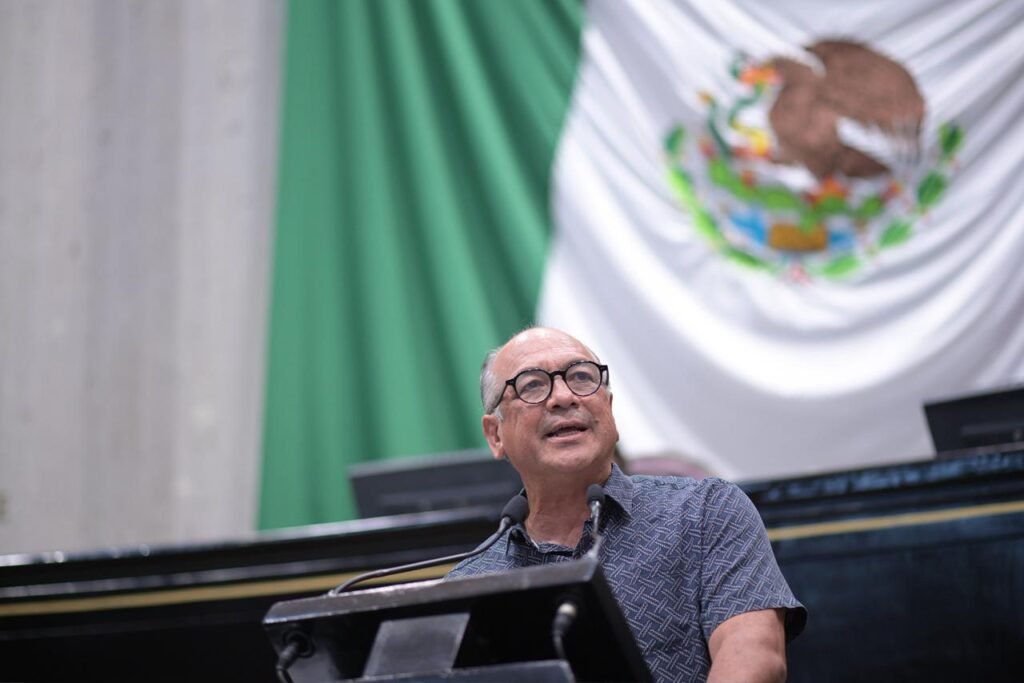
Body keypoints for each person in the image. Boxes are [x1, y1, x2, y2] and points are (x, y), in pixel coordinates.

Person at [447, 327, 806, 683]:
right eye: (532, 386)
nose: (563, 397)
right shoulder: (472, 583)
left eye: (581, 377)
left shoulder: (705, 511)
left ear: (609, 409)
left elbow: (756, 659)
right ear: (495, 435)